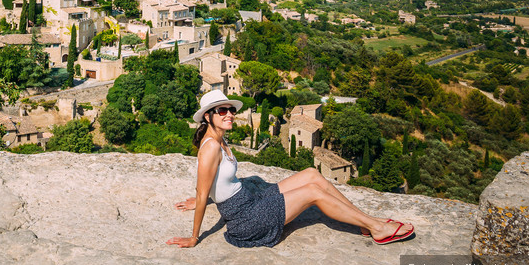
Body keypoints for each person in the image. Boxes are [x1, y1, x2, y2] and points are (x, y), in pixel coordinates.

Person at [166, 90, 415, 249]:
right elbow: (204, 186)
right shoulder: (210, 146)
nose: (230, 114)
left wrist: (204, 197)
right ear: (207, 117)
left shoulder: (219, 137)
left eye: (231, 109)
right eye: (222, 110)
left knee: (312, 174)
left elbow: (211, 182)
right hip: (246, 218)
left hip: (250, 199)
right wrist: (194, 235)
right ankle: (378, 228)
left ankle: (366, 222)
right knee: (312, 192)